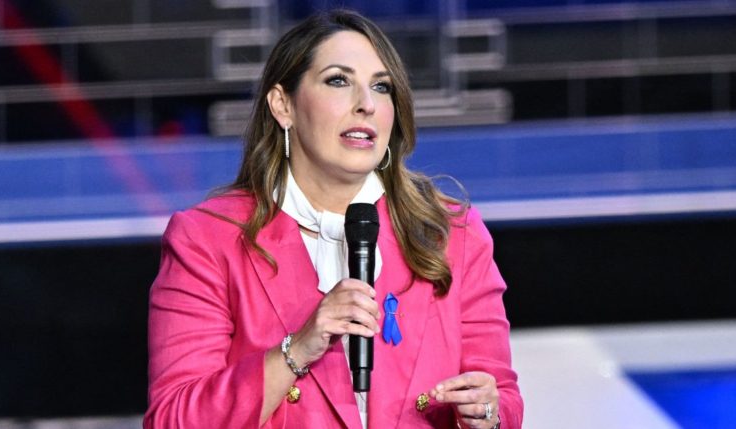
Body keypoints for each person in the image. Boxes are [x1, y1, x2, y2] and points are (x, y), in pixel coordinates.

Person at [144, 9, 523, 429]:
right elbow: (173, 420)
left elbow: (502, 399)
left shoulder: (452, 232)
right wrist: (297, 349)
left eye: (381, 87)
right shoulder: (207, 240)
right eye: (339, 81)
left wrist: (488, 413)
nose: (366, 104)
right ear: (283, 104)